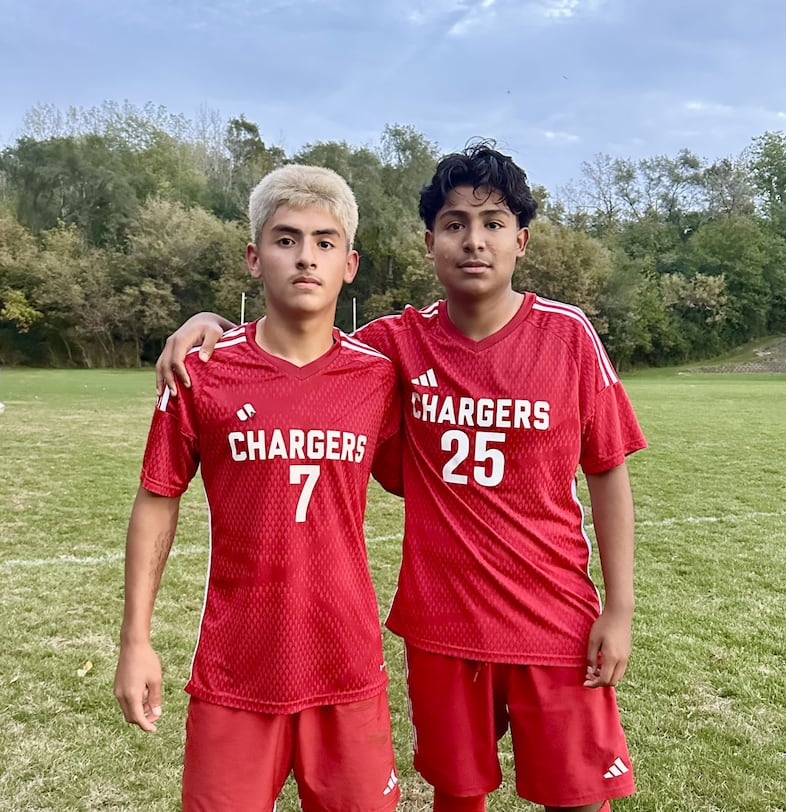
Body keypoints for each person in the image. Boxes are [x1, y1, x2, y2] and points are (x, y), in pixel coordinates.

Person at [156, 142, 646, 812]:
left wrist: (617, 608)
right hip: (442, 622)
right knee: (457, 793)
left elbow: (608, 473)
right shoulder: (393, 345)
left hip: (554, 619)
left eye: (494, 223)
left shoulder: (567, 335)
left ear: (521, 241)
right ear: (429, 243)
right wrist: (207, 324)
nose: (474, 241)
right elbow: (299, 341)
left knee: (580, 796)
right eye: (454, 225)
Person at [114, 164, 402, 812]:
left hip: (347, 670)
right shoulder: (203, 371)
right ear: (253, 256)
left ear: (349, 264)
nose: (307, 257)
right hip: (235, 672)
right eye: (286, 239)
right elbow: (158, 498)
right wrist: (135, 640)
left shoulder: (379, 377)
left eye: (325, 242)